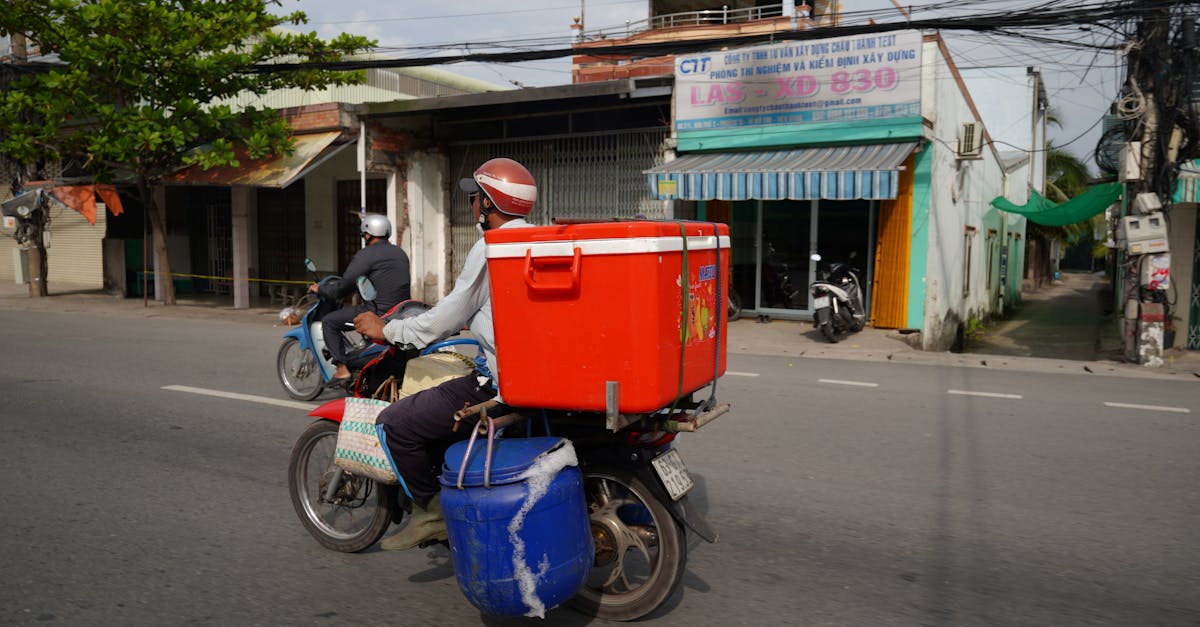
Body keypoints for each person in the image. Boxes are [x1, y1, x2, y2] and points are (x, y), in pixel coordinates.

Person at [353, 157, 536, 551]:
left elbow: (445, 318)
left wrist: (387, 329)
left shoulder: (492, 247)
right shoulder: (539, 242)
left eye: (476, 198)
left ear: (487, 204)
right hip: (538, 376)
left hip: (500, 384)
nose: (472, 205)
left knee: (395, 423)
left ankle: (431, 513)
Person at [310, 213, 411, 382]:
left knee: (329, 322)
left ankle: (342, 369)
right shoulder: (399, 253)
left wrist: (320, 289)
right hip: (401, 311)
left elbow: (341, 288)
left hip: (377, 312)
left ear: (368, 233)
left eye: (364, 234)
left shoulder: (367, 254)